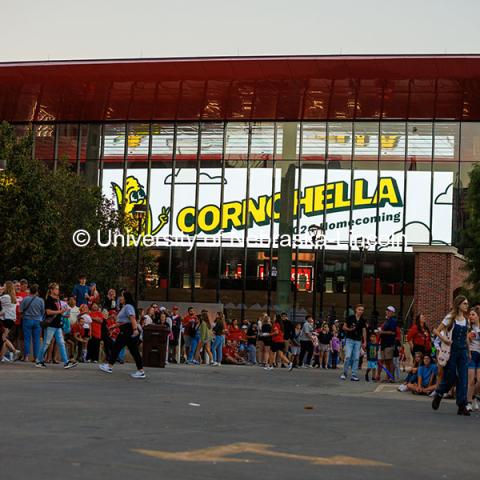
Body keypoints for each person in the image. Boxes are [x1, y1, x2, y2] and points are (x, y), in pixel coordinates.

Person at [432, 295, 470, 415]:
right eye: (464, 303)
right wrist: (444, 339)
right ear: (458, 304)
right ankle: (439, 393)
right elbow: (436, 331)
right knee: (451, 376)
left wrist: (468, 351)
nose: (466, 305)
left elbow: (466, 337)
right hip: (451, 351)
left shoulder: (466, 320)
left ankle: (461, 405)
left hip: (463, 351)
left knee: (463, 378)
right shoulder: (450, 317)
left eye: (467, 303)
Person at [99, 290, 145, 379]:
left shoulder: (128, 306)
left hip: (127, 330)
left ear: (126, 298)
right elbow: (124, 321)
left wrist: (135, 329)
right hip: (127, 329)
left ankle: (109, 366)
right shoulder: (125, 307)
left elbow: (132, 318)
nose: (120, 298)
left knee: (116, 347)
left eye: (122, 296)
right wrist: (114, 326)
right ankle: (141, 371)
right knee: (134, 351)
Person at [35, 283, 77, 369]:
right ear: (51, 290)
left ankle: (66, 362)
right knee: (46, 343)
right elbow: (48, 312)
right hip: (51, 324)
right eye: (56, 289)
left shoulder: (57, 299)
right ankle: (38, 361)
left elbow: (58, 311)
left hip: (57, 324)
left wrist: (63, 313)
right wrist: (60, 312)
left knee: (61, 343)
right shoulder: (49, 299)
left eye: (58, 289)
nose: (58, 290)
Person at [341, 304, 367, 381]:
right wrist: (350, 329)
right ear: (356, 310)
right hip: (349, 339)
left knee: (356, 358)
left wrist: (364, 341)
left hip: (358, 340)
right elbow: (344, 327)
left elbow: (364, 331)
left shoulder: (362, 320)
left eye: (362, 310)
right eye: (359, 309)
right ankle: (344, 373)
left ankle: (354, 374)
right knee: (348, 356)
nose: (361, 311)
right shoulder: (350, 318)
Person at [20, 283, 44, 362]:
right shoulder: (41, 300)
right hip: (37, 321)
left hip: (27, 320)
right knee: (36, 339)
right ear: (37, 291)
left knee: (27, 339)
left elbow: (20, 310)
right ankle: (36, 357)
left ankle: (26, 356)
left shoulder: (25, 299)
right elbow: (43, 312)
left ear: (30, 290)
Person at [0, 281, 21, 361]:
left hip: (7, 320)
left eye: (4, 286)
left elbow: (3, 309)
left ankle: (14, 351)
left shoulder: (5, 297)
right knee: (3, 338)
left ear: (7, 287)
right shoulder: (13, 297)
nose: (3, 287)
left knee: (3, 338)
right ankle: (2, 357)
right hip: (11, 320)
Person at [378, 306, 397, 382]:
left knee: (389, 360)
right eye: (387, 311)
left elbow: (393, 332)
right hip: (384, 342)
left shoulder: (393, 321)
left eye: (389, 311)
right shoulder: (387, 320)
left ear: (393, 313)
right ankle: (387, 376)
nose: (388, 312)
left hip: (389, 343)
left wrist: (382, 332)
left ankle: (391, 376)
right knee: (386, 361)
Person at [467, 306, 480, 411]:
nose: (471, 316)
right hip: (472, 354)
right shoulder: (468, 328)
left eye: (473, 314)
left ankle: (474, 396)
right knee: (471, 381)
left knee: (479, 381)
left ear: (478, 316)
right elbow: (465, 341)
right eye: (470, 314)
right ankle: (469, 402)